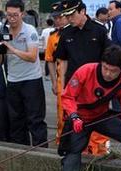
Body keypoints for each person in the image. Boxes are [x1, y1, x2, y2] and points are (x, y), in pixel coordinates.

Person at [55, 0, 112, 155]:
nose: (69, 19)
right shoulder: (66, 33)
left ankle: (98, 151)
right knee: (74, 120)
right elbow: (62, 60)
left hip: (95, 86)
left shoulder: (98, 31)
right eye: (67, 16)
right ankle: (75, 151)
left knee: (98, 119)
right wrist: (63, 86)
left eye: (72, 15)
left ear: (83, 11)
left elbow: (108, 58)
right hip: (74, 87)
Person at [2, 0, 48, 146]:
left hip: (31, 81)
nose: (12, 18)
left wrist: (11, 49)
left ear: (22, 13)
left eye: (15, 15)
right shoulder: (4, 31)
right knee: (16, 121)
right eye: (9, 15)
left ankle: (42, 153)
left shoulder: (30, 30)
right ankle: (20, 152)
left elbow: (32, 56)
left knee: (35, 120)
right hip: (13, 81)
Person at [45, 2, 70, 143]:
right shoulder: (53, 36)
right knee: (61, 112)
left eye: (60, 17)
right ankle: (62, 140)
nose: (58, 20)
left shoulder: (75, 33)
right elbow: (50, 60)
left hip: (76, 78)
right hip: (61, 80)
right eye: (55, 18)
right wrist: (54, 82)